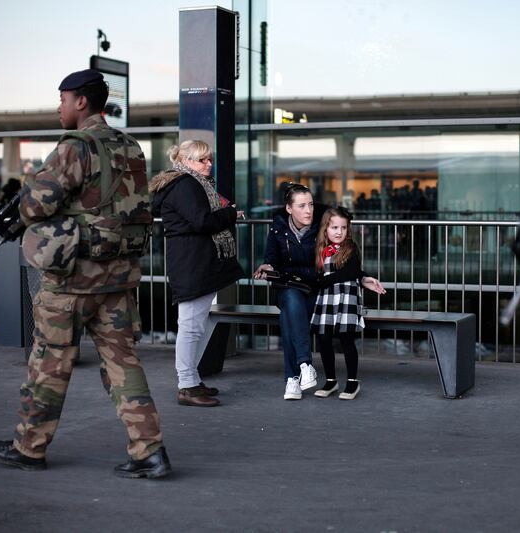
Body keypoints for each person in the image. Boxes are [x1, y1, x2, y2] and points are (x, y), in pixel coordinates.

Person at [0, 69, 171, 479]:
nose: (59, 106)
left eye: (63, 99)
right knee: (124, 364)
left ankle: (29, 447)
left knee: (49, 362)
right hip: (119, 278)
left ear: (81, 101)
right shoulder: (130, 145)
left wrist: (34, 188)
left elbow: (36, 204)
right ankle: (150, 451)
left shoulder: (75, 147)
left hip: (72, 281)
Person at [253, 183, 385, 401]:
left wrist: (362, 278)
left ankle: (293, 379)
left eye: (311, 204)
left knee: (289, 317)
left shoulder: (321, 225)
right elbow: (271, 260)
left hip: (316, 288)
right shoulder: (277, 228)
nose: (308, 210)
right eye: (302, 206)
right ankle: (304, 364)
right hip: (290, 286)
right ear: (289, 209)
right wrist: (267, 267)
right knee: (291, 302)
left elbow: (345, 260)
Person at [149, 140, 244, 407]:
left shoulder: (187, 184)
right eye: (202, 160)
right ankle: (187, 386)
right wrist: (229, 215)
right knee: (190, 327)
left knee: (194, 325)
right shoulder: (185, 185)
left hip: (194, 263)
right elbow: (202, 221)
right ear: (186, 161)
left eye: (209, 159)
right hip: (192, 264)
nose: (209, 164)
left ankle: (192, 380)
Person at [311, 207, 382, 400]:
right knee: (323, 338)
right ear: (326, 228)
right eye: (334, 227)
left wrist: (323, 281)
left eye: (343, 228)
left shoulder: (351, 248)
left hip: (346, 298)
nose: (339, 232)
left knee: (346, 338)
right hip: (326, 299)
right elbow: (316, 275)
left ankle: (352, 382)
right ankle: (331, 380)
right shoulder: (321, 250)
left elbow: (351, 272)